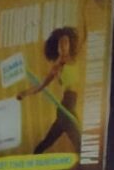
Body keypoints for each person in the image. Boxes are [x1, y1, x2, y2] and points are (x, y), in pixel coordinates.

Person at [17, 26, 81, 155]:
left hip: (67, 107)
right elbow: (41, 85)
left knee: (49, 140)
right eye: (60, 44)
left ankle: (35, 155)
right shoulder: (57, 66)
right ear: (57, 48)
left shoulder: (74, 59)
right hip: (67, 106)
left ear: (70, 44)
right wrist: (24, 93)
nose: (63, 46)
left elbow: (84, 36)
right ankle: (35, 156)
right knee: (80, 144)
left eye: (65, 42)